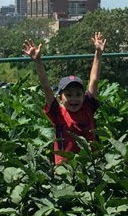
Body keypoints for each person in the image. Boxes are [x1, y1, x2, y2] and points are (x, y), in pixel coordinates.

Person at [23, 32, 106, 164]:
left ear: (84, 96)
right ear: (60, 98)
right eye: (69, 95)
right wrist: (38, 62)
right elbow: (46, 87)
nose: (74, 99)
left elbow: (94, 81)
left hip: (90, 164)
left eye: (78, 94)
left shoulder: (87, 107)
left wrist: (98, 53)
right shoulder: (57, 113)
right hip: (64, 169)